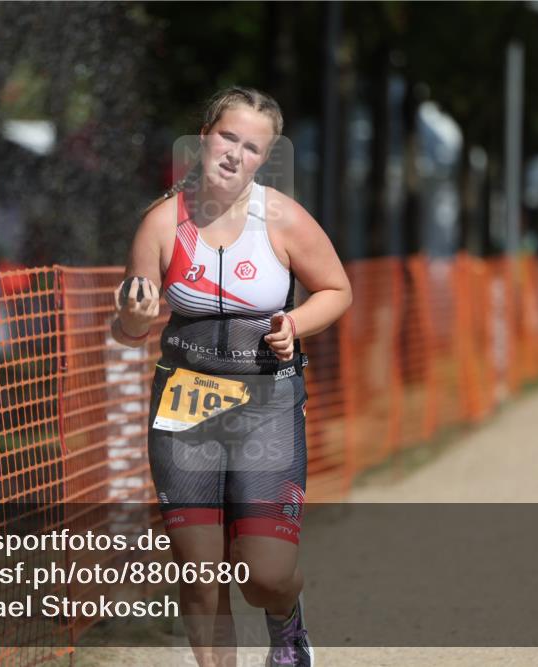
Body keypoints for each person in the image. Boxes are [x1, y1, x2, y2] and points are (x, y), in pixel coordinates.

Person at [111, 87, 351, 667]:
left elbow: (338, 290)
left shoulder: (284, 219)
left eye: (251, 146)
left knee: (263, 575)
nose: (234, 154)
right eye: (227, 137)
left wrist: (293, 323)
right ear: (203, 138)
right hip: (185, 409)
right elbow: (129, 326)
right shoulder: (161, 224)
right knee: (199, 575)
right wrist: (134, 318)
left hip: (266, 404)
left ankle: (287, 621)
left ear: (263, 158)